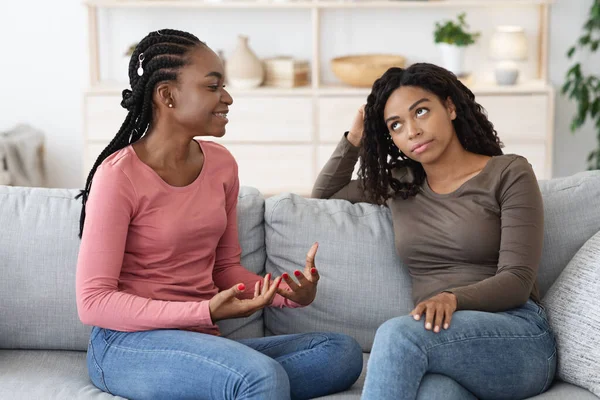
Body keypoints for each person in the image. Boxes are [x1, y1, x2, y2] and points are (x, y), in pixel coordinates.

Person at [75, 29, 362, 400]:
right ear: (167, 96)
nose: (227, 98)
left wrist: (286, 293)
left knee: (340, 353)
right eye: (212, 87)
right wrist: (203, 311)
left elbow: (225, 269)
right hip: (127, 345)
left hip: (200, 344)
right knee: (261, 378)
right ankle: (244, 384)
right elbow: (94, 302)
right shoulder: (119, 177)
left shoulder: (221, 165)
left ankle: (227, 385)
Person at [312, 63, 557, 400]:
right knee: (434, 393)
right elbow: (324, 197)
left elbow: (517, 280)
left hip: (516, 334)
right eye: (395, 125)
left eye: (421, 112)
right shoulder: (400, 183)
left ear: (451, 107)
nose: (411, 130)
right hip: (440, 338)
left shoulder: (509, 172)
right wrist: (355, 138)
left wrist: (451, 298)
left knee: (398, 334)